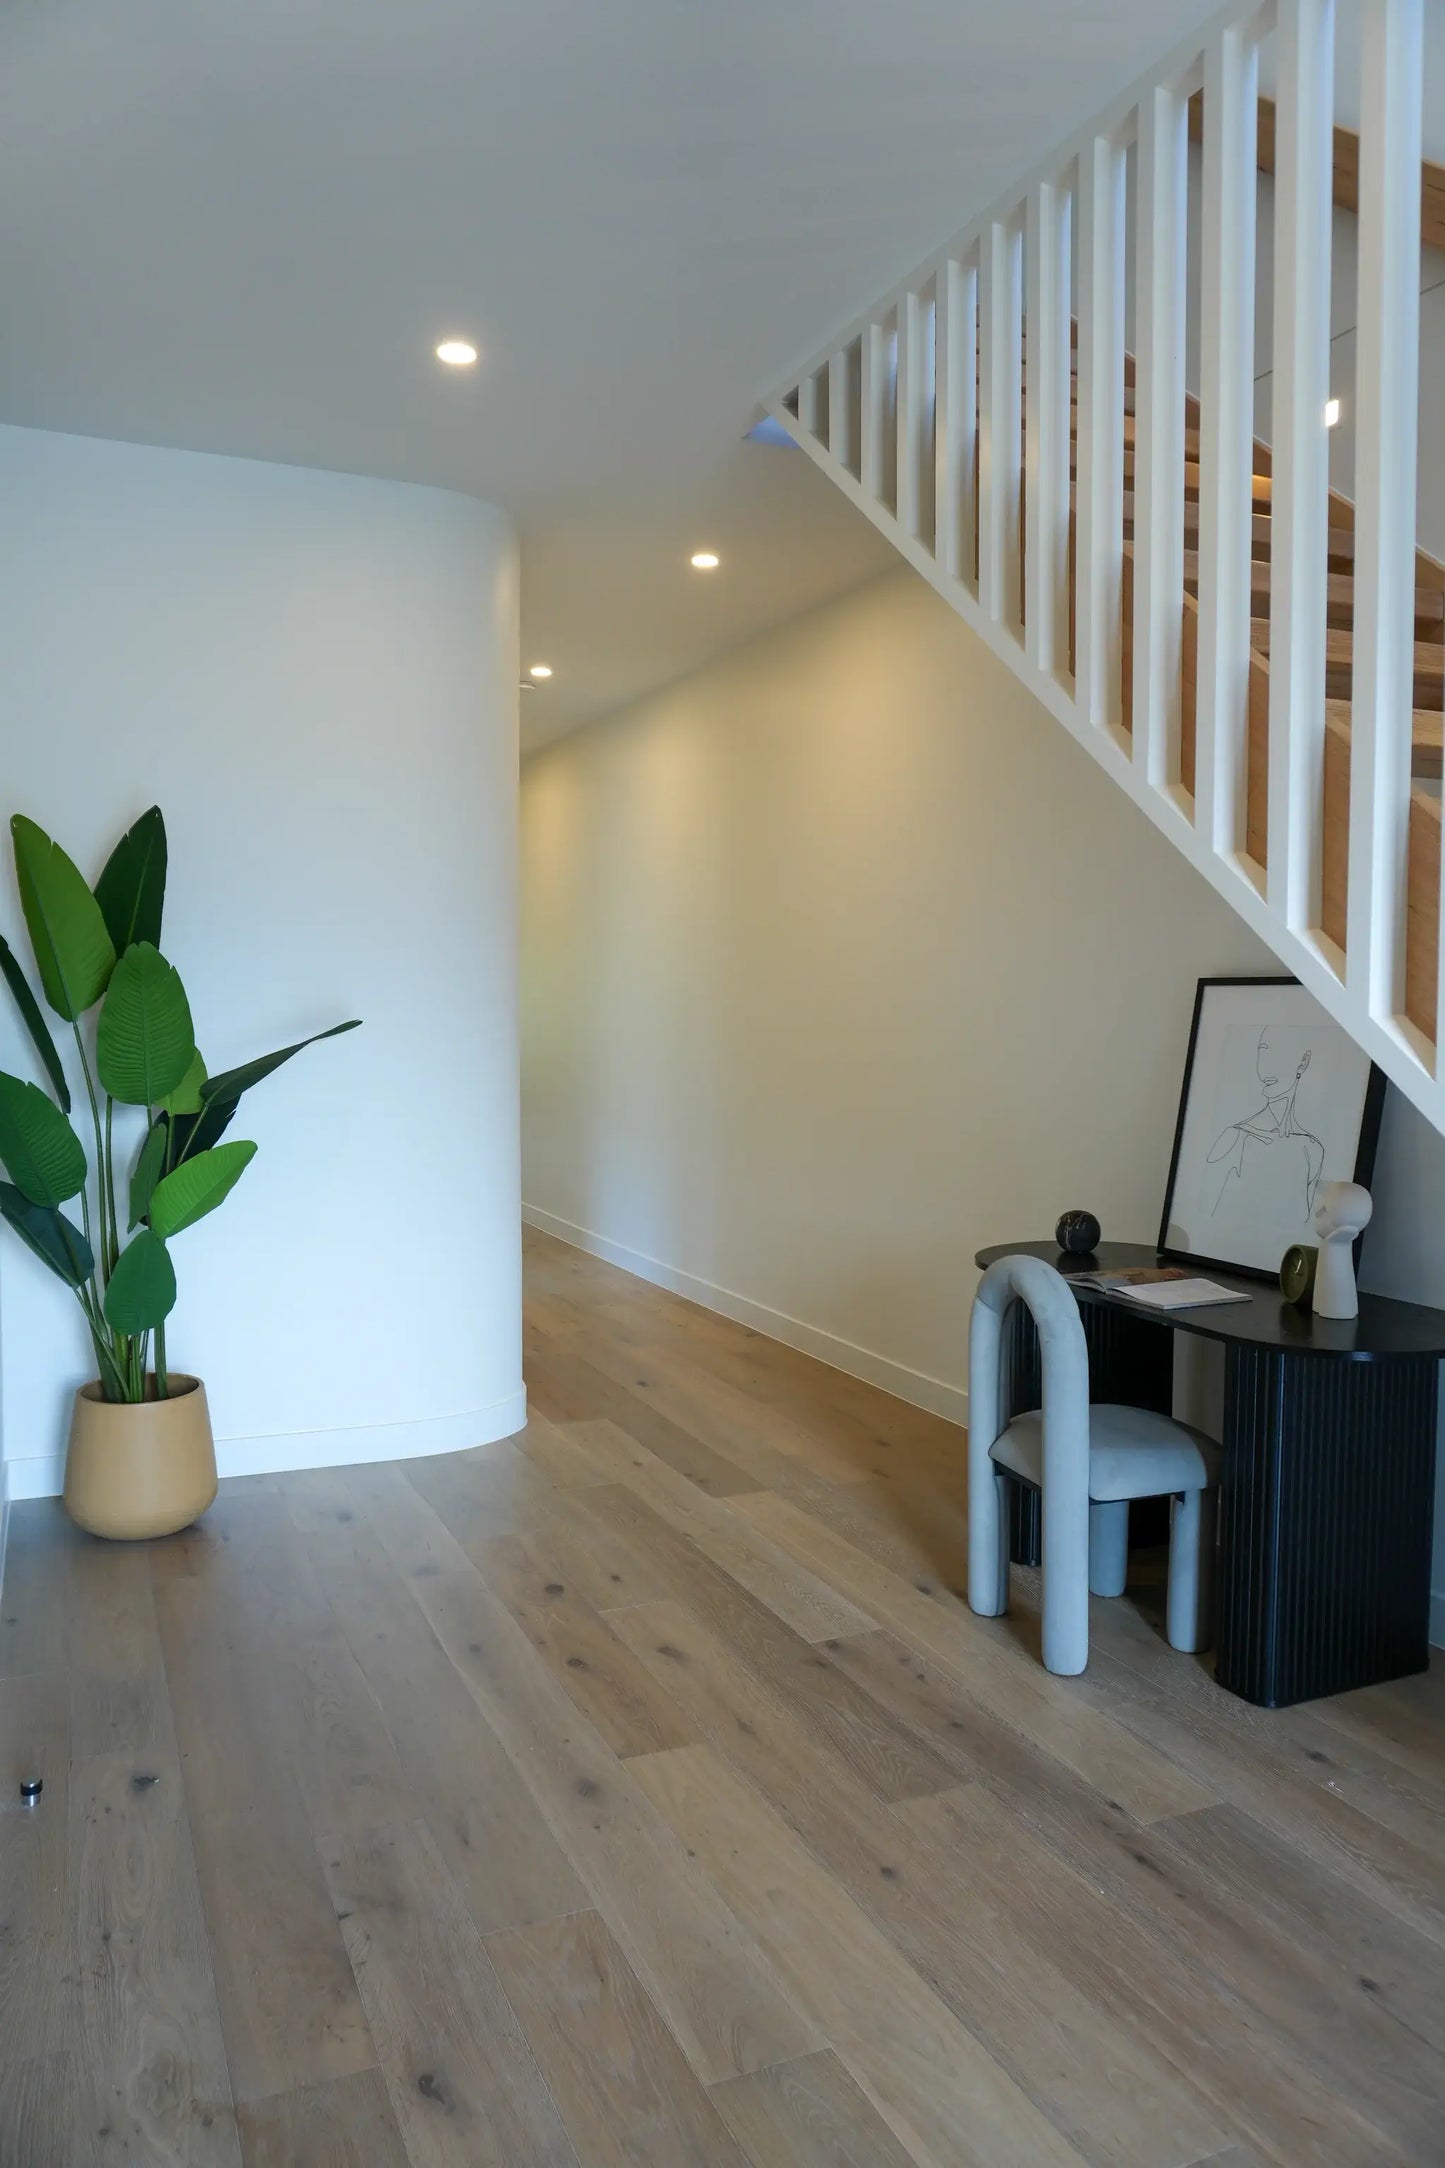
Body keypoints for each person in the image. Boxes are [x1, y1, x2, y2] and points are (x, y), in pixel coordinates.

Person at [1208, 1025, 1325, 1224]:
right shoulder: (1236, 1137)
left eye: (1278, 1053)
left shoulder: (1312, 1149)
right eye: (1263, 1051)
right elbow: (1205, 1219)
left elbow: (1307, 1228)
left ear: (1303, 1062)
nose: (1266, 1068)